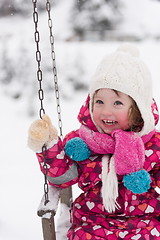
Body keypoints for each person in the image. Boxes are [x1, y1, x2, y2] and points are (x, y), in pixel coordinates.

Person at [28, 44, 160, 240]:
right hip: (92, 222)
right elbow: (63, 176)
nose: (106, 111)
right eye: (99, 102)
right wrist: (47, 145)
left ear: (138, 110)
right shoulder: (82, 141)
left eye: (117, 103)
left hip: (144, 222)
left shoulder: (152, 145)